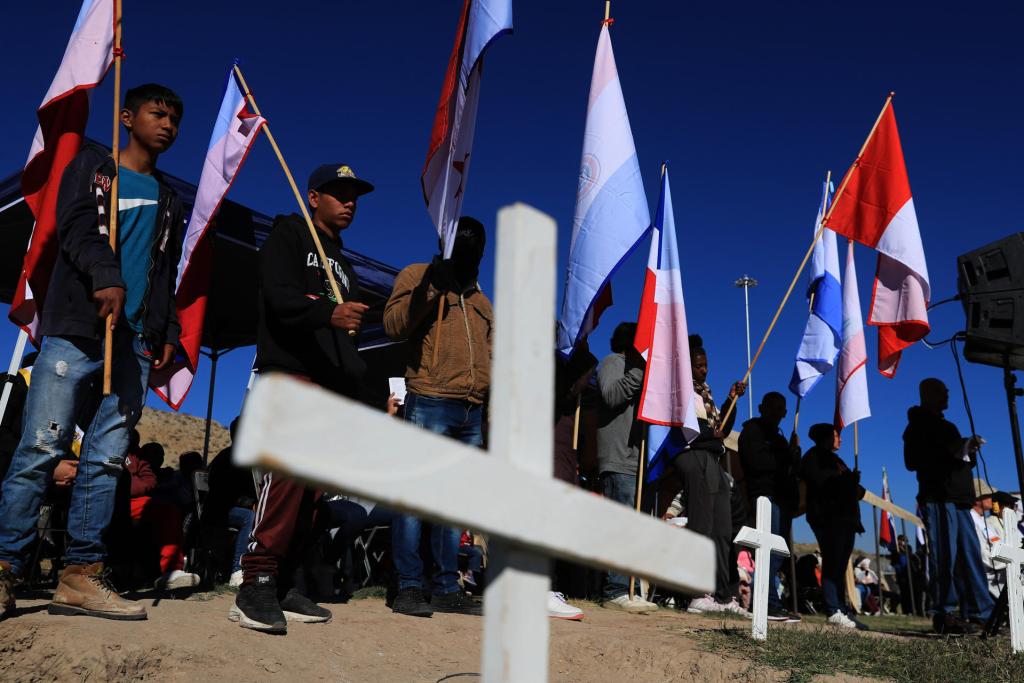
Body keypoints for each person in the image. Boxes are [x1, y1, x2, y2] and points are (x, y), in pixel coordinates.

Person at [0, 84, 185, 621]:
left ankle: (80, 575)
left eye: (175, 118)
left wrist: (166, 327)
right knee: (40, 448)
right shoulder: (93, 167)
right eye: (157, 113)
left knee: (105, 460)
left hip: (133, 343)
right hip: (80, 330)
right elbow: (76, 225)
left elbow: (165, 272)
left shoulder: (170, 199)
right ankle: (5, 569)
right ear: (127, 118)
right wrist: (106, 275)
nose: (168, 124)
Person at [231, 163, 374, 633]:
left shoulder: (346, 267)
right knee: (286, 475)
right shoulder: (290, 235)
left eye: (355, 195)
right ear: (313, 197)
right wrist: (328, 313)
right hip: (289, 374)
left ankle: (288, 581)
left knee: (313, 491)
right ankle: (255, 581)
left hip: (328, 388)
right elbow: (277, 297)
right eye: (338, 192)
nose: (350, 201)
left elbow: (345, 342)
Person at [383, 216, 492, 618]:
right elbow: (394, 325)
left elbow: (491, 360)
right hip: (428, 399)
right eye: (462, 243)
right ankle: (409, 586)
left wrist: (488, 413)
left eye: (476, 246)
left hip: (471, 411)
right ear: (446, 244)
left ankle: (446, 587)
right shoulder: (416, 275)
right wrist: (431, 284)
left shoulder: (482, 302)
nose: (471, 251)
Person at [904, 378, 994, 634]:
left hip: (960, 500)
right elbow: (912, 461)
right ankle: (945, 612)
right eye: (941, 391)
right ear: (928, 395)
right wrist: (952, 449)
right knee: (945, 556)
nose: (947, 395)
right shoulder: (916, 426)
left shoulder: (949, 426)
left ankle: (980, 612)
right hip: (938, 497)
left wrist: (967, 450)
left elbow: (961, 461)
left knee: (970, 556)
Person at [677, 337, 749, 617]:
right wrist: (710, 435)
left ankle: (724, 595)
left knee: (722, 529)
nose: (703, 370)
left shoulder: (705, 394)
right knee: (702, 524)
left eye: (706, 365)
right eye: (698, 366)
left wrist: (732, 399)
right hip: (692, 456)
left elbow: (722, 428)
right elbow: (686, 428)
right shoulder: (681, 391)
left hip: (714, 460)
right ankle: (697, 592)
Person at [593, 323, 658, 614]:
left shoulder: (642, 373)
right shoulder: (612, 363)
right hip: (618, 458)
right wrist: (639, 374)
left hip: (637, 462)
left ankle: (630, 587)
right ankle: (616, 589)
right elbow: (610, 395)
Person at [738, 391, 802, 623]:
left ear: (786, 413)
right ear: (761, 407)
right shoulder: (752, 432)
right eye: (772, 407)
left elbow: (791, 471)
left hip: (782, 499)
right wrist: (783, 457)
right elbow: (758, 464)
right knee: (768, 552)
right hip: (765, 497)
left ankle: (771, 602)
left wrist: (794, 454)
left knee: (778, 553)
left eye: (780, 409)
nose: (776, 412)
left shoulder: (781, 439)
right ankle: (766, 603)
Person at [800, 423, 865, 629]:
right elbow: (822, 482)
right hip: (827, 517)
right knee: (832, 561)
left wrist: (853, 483)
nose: (840, 439)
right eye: (837, 435)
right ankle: (832, 609)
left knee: (841, 564)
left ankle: (842, 608)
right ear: (827, 437)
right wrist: (848, 482)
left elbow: (856, 489)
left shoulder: (837, 460)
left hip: (846, 518)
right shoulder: (814, 457)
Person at [126, 441, 199, 590]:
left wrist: (127, 484)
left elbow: (149, 480)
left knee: (168, 510)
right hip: (109, 497)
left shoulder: (138, 460)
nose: (159, 458)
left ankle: (171, 571)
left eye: (161, 455)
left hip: (133, 500)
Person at [205, 418, 256, 587]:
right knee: (249, 516)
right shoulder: (230, 457)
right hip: (220, 510)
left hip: (226, 508)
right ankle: (237, 569)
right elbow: (224, 492)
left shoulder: (234, 456)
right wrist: (250, 502)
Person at [968, 478, 1005, 600]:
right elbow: (983, 555)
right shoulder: (971, 522)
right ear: (977, 500)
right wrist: (1009, 561)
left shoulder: (985, 522)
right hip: (990, 583)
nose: (992, 499)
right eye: (987, 495)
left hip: (999, 577)